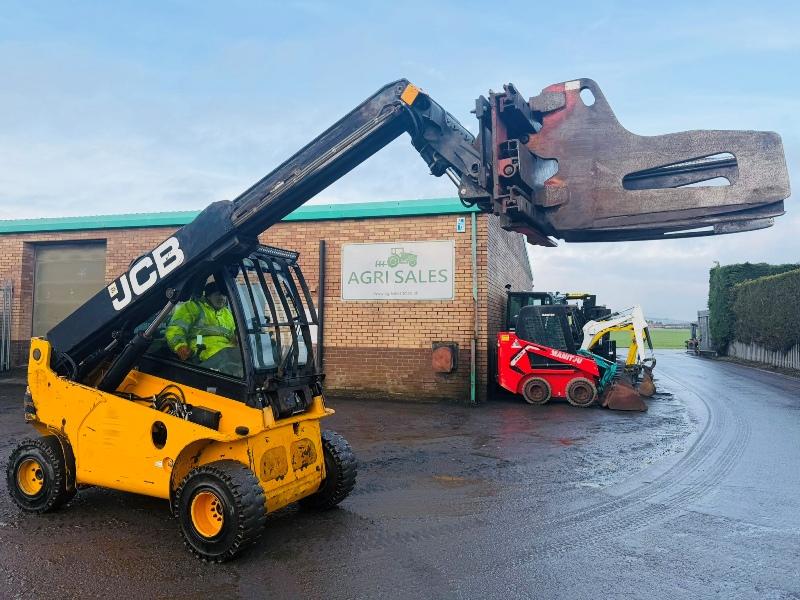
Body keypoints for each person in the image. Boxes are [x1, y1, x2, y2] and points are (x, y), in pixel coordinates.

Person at [165, 280, 242, 377]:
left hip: (226, 352)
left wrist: (237, 341)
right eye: (218, 294)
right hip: (202, 347)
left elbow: (233, 335)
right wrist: (180, 346)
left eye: (224, 295)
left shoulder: (227, 313)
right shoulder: (193, 307)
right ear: (208, 296)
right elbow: (175, 328)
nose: (222, 298)